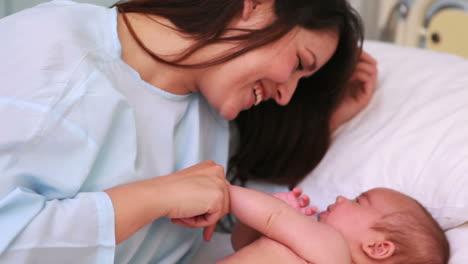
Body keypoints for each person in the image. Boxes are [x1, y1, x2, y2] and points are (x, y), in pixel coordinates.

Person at [0, 0, 375, 263]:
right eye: (298, 63)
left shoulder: (209, 116)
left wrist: (328, 117)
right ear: (257, 3)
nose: (286, 95)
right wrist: (155, 197)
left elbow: (255, 171)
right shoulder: (51, 52)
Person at [220, 186, 450, 264]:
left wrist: (221, 191)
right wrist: (259, 225)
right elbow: (241, 244)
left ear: (377, 247)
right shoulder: (316, 250)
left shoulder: (332, 246)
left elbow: (273, 216)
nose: (342, 198)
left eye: (359, 201)